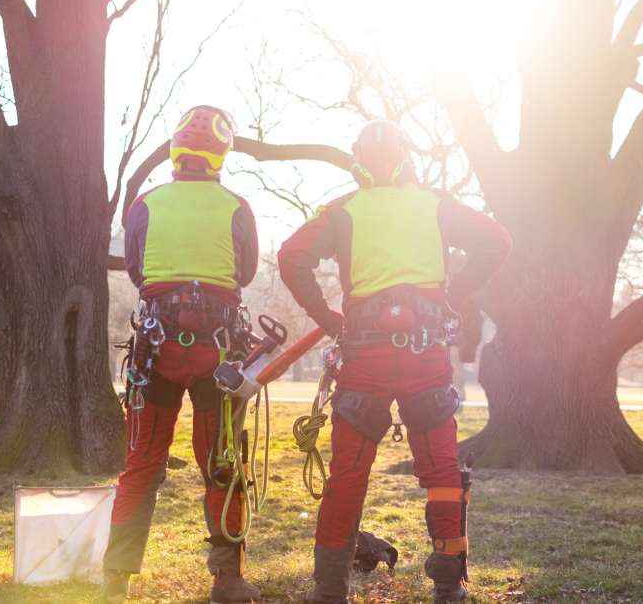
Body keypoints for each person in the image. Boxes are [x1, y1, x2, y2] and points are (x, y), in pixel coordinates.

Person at [278, 120, 512, 603]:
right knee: (443, 469)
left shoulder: (344, 210)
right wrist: (457, 293)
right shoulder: (435, 204)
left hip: (364, 355)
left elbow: (291, 256)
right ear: (406, 158)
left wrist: (327, 317)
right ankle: (449, 583)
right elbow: (497, 242)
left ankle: (329, 589)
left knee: (348, 471)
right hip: (424, 353)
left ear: (357, 159)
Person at [103, 106, 260, 603]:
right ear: (220, 154)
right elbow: (248, 272)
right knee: (221, 461)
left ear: (176, 152)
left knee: (143, 461)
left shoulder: (146, 203)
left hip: (158, 348)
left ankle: (115, 579)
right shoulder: (236, 206)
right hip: (218, 351)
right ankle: (227, 579)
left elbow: (135, 268)